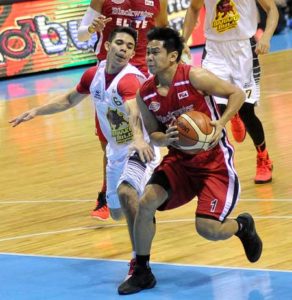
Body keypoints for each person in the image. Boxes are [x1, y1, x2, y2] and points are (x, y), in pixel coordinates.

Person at [118, 27, 263, 295]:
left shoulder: (194, 76)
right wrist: (164, 138)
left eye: (155, 52)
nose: (149, 57)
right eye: (147, 52)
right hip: (180, 161)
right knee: (146, 201)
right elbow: (154, 134)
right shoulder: (145, 93)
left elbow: (237, 94)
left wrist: (222, 121)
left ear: (173, 56)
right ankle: (142, 270)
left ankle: (243, 227)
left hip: (214, 162)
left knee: (207, 229)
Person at [10, 26, 160, 279]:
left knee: (127, 195)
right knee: (115, 213)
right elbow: (69, 99)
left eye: (130, 46)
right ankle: (146, 210)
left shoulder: (130, 79)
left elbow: (133, 110)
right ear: (108, 46)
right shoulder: (94, 75)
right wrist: (36, 111)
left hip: (140, 149)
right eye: (120, 43)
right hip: (116, 151)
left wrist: (137, 139)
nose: (124, 49)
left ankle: (139, 262)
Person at [77, 0, 168, 220]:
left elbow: (163, 32)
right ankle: (110, 193)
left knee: (148, 135)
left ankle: (146, 189)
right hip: (109, 76)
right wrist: (91, 29)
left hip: (141, 75)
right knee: (111, 142)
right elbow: (81, 35)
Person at [182, 0, 279, 184]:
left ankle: (263, 156)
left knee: (247, 112)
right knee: (211, 110)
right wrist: (183, 40)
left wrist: (266, 37)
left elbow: (272, 9)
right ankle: (213, 167)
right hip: (215, 50)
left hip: (244, 49)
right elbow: (194, 8)